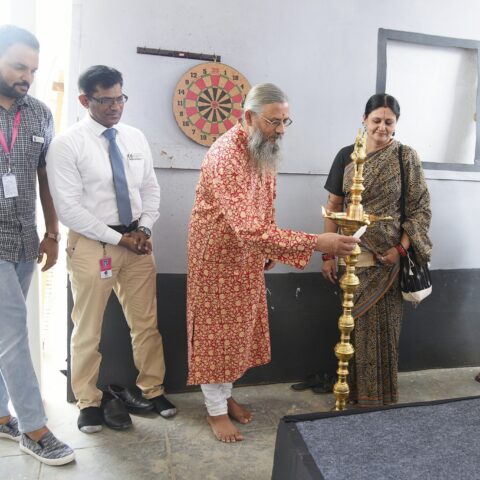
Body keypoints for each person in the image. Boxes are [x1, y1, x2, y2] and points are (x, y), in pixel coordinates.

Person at [187, 83, 359, 443]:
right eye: (274, 122)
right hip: (217, 260)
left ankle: (224, 394)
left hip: (247, 255)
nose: (281, 130)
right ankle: (215, 410)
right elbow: (249, 227)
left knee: (237, 334)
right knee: (216, 335)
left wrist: (267, 251)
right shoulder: (226, 157)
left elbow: (265, 204)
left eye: (285, 121)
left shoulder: (260, 148)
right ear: (248, 117)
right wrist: (317, 243)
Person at [46, 65, 176, 434]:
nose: (115, 106)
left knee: (146, 323)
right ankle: (88, 401)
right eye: (105, 100)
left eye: (120, 98)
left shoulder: (134, 138)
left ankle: (153, 389)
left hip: (138, 242)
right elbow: (69, 208)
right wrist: (121, 239)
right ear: (85, 100)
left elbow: (150, 190)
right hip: (93, 245)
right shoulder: (67, 144)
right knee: (88, 328)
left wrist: (145, 228)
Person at [323, 93, 432, 408]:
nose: (382, 127)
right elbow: (334, 205)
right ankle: (353, 396)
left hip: (389, 265)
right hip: (353, 260)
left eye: (389, 121)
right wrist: (328, 255)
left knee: (384, 334)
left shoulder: (405, 157)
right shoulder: (348, 155)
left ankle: (380, 400)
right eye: (376, 120)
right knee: (352, 331)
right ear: (364, 119)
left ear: (396, 124)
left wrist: (400, 249)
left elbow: (420, 210)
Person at [0, 24, 74, 466]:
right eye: (17, 66)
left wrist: (52, 232)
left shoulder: (41, 114)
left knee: (4, 335)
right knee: (13, 332)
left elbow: (45, 180)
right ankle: (35, 428)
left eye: (32, 69)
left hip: (25, 239)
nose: (26, 76)